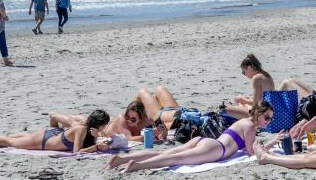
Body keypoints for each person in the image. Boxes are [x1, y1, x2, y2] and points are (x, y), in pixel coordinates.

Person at [104, 101, 275, 172]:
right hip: (216, 149)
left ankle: (120, 160)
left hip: (205, 141)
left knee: (164, 154)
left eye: (270, 118)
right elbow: (252, 152)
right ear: (258, 114)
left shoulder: (243, 121)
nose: (268, 121)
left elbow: (246, 147)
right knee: (172, 159)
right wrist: (271, 143)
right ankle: (136, 166)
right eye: (266, 117)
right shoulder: (251, 126)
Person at [0, 110, 112, 153]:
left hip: (52, 135)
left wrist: (95, 138)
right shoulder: (82, 129)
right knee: (10, 142)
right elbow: (77, 152)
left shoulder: (89, 130)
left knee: (23, 136)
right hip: (44, 141)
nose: (104, 128)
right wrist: (97, 146)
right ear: (99, 124)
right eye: (104, 125)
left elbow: (85, 145)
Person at [50, 100, 163, 142]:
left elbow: (163, 131)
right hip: (103, 129)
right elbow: (129, 139)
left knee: (83, 119)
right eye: (127, 116)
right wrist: (150, 135)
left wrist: (161, 132)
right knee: (80, 124)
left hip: (112, 124)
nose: (128, 120)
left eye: (133, 119)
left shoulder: (147, 121)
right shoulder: (122, 119)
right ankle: (54, 116)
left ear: (141, 118)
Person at [226, 54, 275, 118]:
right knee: (243, 106)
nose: (244, 74)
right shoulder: (266, 75)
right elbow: (263, 98)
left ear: (249, 68)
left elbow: (255, 103)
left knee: (226, 109)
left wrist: (242, 99)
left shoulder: (256, 78)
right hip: (270, 111)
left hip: (261, 115)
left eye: (244, 72)